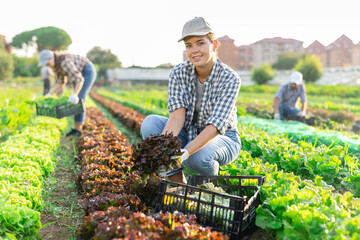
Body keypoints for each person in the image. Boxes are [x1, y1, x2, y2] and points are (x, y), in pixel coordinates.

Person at [140, 17, 242, 184]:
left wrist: (184, 153)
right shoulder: (178, 73)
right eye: (189, 45)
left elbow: (215, 126)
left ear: (214, 45)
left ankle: (208, 183)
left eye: (200, 43)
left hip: (223, 138)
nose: (194, 50)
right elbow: (176, 118)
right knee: (150, 124)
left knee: (197, 158)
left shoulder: (230, 78)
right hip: (189, 131)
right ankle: (178, 184)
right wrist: (165, 152)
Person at [38, 50, 97, 137]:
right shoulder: (57, 66)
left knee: (80, 98)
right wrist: (50, 94)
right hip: (80, 73)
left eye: (47, 62)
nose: (47, 65)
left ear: (52, 58)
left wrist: (75, 94)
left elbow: (79, 79)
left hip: (87, 70)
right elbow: (61, 82)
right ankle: (77, 128)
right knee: (77, 99)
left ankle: (78, 130)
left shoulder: (65, 62)